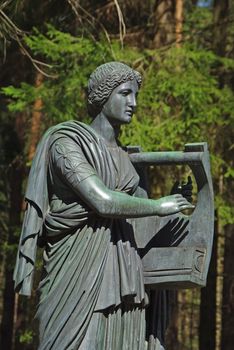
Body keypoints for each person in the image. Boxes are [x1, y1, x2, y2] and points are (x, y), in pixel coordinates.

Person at [14, 62, 193, 349]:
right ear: (102, 95)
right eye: (125, 93)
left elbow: (138, 219)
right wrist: (159, 205)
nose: (133, 103)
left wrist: (173, 201)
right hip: (78, 272)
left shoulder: (126, 157)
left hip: (124, 272)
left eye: (135, 95)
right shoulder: (66, 142)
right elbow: (103, 201)